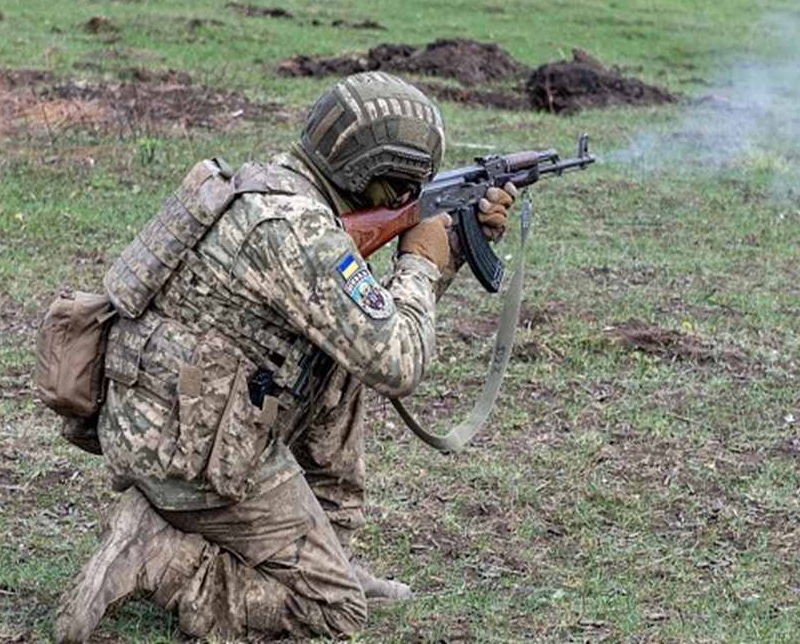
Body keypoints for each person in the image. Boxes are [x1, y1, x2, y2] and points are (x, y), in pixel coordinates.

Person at [54, 71, 516, 643]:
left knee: (342, 365)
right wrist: (420, 263)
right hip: (190, 454)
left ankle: (329, 555)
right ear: (370, 174)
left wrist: (451, 249)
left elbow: (366, 329)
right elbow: (398, 362)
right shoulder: (301, 231)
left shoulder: (274, 186)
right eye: (404, 186)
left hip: (171, 416)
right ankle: (162, 557)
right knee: (334, 612)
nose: (408, 198)